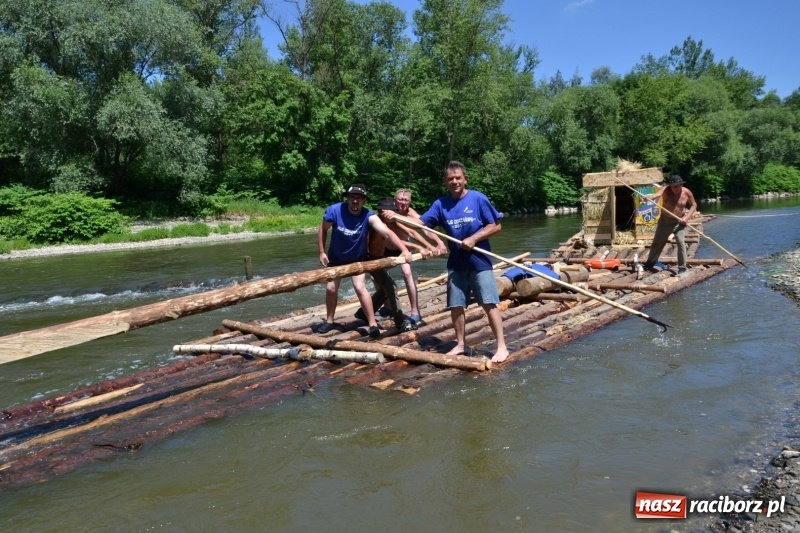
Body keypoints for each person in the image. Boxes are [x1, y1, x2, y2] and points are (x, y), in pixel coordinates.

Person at [416, 161, 509, 364]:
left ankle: (502, 347)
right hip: (456, 262)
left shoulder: (478, 199)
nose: (455, 181)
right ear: (445, 182)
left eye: (458, 177)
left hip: (480, 260)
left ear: (465, 179)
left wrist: (475, 238)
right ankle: (460, 344)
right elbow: (421, 224)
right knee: (456, 305)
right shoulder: (441, 204)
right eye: (450, 178)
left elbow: (496, 226)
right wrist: (397, 217)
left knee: (489, 303)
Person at [317, 184, 412, 338]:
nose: (355, 201)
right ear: (347, 198)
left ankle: (372, 323)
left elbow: (387, 232)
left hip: (358, 259)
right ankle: (329, 321)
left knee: (360, 287)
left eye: (359, 198)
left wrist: (404, 250)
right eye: (352, 197)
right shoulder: (334, 210)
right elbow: (323, 229)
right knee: (331, 289)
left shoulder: (369, 215)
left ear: (364, 201)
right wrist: (321, 252)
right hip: (336, 258)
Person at [354, 197, 436, 332]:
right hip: (369, 260)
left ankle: (363, 312)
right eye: (386, 210)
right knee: (391, 287)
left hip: (379, 259)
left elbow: (411, 232)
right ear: (380, 211)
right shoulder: (375, 223)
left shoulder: (391, 221)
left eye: (392, 210)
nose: (390, 213)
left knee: (386, 289)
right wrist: (415, 247)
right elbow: (391, 240)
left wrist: (428, 246)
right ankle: (400, 322)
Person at [376, 189, 445, 329]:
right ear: (395, 200)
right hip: (387, 247)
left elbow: (422, 229)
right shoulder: (386, 213)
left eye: (405, 200)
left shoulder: (410, 214)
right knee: (376, 277)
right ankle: (387, 306)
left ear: (409, 202)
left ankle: (415, 312)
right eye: (400, 199)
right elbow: (390, 236)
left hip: (404, 249)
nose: (402, 202)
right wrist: (421, 246)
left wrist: (437, 244)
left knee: (407, 274)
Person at [642, 174, 698, 274]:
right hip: (665, 221)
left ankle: (682, 267)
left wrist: (687, 217)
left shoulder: (686, 192)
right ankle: (650, 263)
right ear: (670, 186)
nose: (676, 188)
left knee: (681, 243)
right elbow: (656, 195)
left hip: (679, 222)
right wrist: (648, 197)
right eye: (674, 186)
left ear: (681, 185)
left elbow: (694, 205)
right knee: (657, 243)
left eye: (678, 186)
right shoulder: (666, 189)